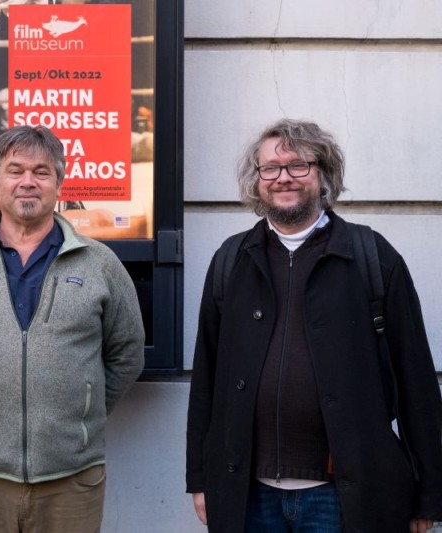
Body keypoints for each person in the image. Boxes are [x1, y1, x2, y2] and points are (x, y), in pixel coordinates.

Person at [186, 119, 442, 532]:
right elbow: (207, 381)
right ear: (257, 180)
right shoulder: (231, 260)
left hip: (344, 495)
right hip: (249, 494)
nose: (283, 177)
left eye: (298, 165)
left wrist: (429, 493)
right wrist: (199, 478)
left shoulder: (372, 257)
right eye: (270, 167)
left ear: (323, 174)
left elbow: (417, 384)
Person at [0, 125, 145, 532]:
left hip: (71, 480)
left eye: (42, 172)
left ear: (59, 182)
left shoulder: (100, 264)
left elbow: (127, 354)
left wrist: (80, 411)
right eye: (15, 170)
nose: (28, 181)